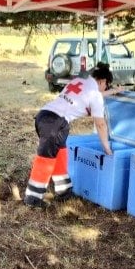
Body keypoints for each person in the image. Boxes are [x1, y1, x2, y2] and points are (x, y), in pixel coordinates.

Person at [23, 62, 123, 208]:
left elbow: (92, 95)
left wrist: (113, 91)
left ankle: (64, 191)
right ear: (102, 81)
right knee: (46, 159)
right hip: (56, 123)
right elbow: (101, 125)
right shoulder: (95, 95)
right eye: (106, 85)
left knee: (60, 154)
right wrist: (107, 148)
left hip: (43, 116)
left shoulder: (79, 81)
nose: (105, 88)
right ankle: (33, 198)